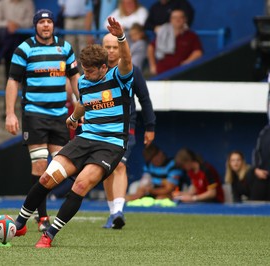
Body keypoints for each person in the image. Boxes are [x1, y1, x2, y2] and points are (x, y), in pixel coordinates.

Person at [12, 17, 134, 248]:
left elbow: (126, 59)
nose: (85, 75)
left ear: (104, 68)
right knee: (47, 177)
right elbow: (84, 102)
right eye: (83, 71)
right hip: (85, 138)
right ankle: (20, 223)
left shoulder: (119, 78)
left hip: (111, 144)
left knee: (79, 185)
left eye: (89, 71)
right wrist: (74, 118)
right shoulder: (85, 82)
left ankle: (49, 235)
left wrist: (121, 37)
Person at [5, 9, 80, 233]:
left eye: (49, 22)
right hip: (34, 114)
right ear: (35, 25)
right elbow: (13, 81)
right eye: (42, 22)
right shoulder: (24, 49)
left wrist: (82, 104)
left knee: (60, 167)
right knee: (40, 166)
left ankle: (43, 213)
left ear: (53, 25)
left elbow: (75, 77)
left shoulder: (65, 48)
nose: (46, 25)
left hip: (60, 116)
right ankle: (42, 217)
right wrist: (10, 113)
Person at [100, 33, 155, 229]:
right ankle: (112, 212)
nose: (111, 51)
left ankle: (119, 211)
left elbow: (145, 99)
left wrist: (150, 126)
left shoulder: (133, 70)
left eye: (115, 47)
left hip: (126, 127)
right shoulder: (97, 71)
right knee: (105, 171)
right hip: (101, 128)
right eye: (108, 47)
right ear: (102, 48)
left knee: (119, 166)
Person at [147, 9, 203, 75]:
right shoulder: (163, 34)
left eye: (180, 17)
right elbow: (151, 48)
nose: (177, 20)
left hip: (181, 73)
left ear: (185, 19)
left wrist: (186, 63)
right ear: (170, 20)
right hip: (161, 73)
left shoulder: (191, 36)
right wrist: (152, 66)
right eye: (174, 18)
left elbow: (198, 52)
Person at [0, 0, 35, 79]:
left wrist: (17, 25)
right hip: (7, 39)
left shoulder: (28, 2)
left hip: (23, 40)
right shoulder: (0, 3)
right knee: (10, 64)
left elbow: (31, 21)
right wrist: (8, 24)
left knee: (24, 67)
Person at [250, 124, 270, 201]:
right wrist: (256, 169)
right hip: (263, 175)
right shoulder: (265, 131)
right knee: (256, 205)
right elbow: (257, 151)